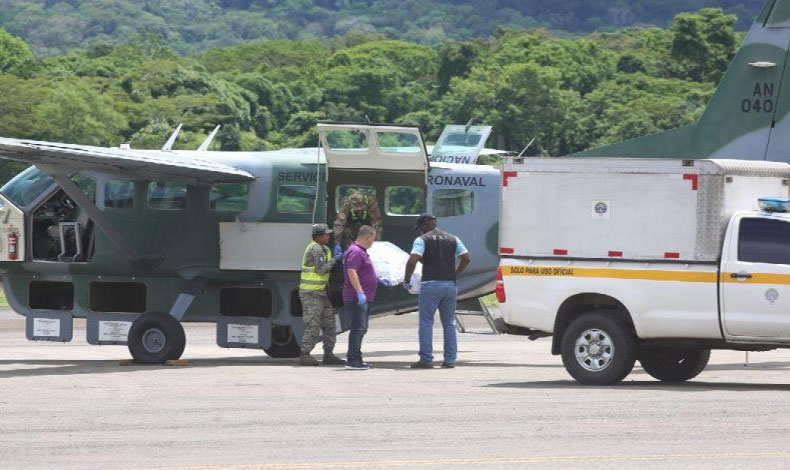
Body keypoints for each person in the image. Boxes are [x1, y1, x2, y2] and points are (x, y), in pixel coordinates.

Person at [404, 213, 471, 369]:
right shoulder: (453, 238)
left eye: (421, 227)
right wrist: (456, 273)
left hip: (431, 285)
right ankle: (449, 360)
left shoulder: (422, 240)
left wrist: (407, 279)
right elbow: (466, 258)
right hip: (450, 285)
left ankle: (426, 360)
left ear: (426, 224)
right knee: (449, 323)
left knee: (426, 322)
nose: (420, 231)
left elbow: (412, 260)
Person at [298, 224, 344, 366]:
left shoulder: (324, 248)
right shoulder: (316, 249)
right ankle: (305, 354)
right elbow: (321, 270)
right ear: (318, 236)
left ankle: (328, 354)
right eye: (326, 234)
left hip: (321, 292)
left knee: (330, 324)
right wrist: (335, 260)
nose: (328, 236)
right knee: (313, 324)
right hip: (311, 293)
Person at [343, 225, 378, 370]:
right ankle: (352, 360)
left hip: (363, 297)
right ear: (367, 237)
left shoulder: (361, 251)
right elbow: (352, 272)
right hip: (356, 298)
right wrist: (359, 292)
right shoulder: (356, 251)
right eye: (373, 239)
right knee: (358, 328)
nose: (373, 242)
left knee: (361, 328)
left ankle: (357, 358)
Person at [333, 190, 383, 256]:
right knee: (351, 252)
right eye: (356, 206)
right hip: (350, 229)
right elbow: (339, 223)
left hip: (366, 229)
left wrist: (376, 241)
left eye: (360, 206)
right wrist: (337, 242)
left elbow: (376, 222)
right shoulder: (347, 203)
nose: (358, 208)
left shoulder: (371, 203)